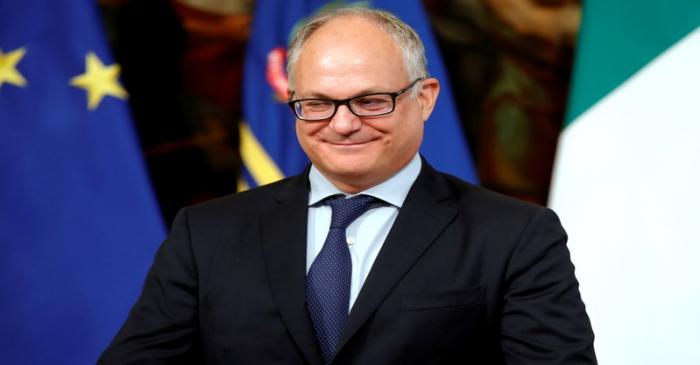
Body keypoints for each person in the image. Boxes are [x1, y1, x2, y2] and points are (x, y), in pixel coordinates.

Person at [99, 7, 596, 365]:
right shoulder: (206, 233)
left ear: (424, 98)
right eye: (317, 102)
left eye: (370, 101)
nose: (341, 125)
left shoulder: (515, 234)